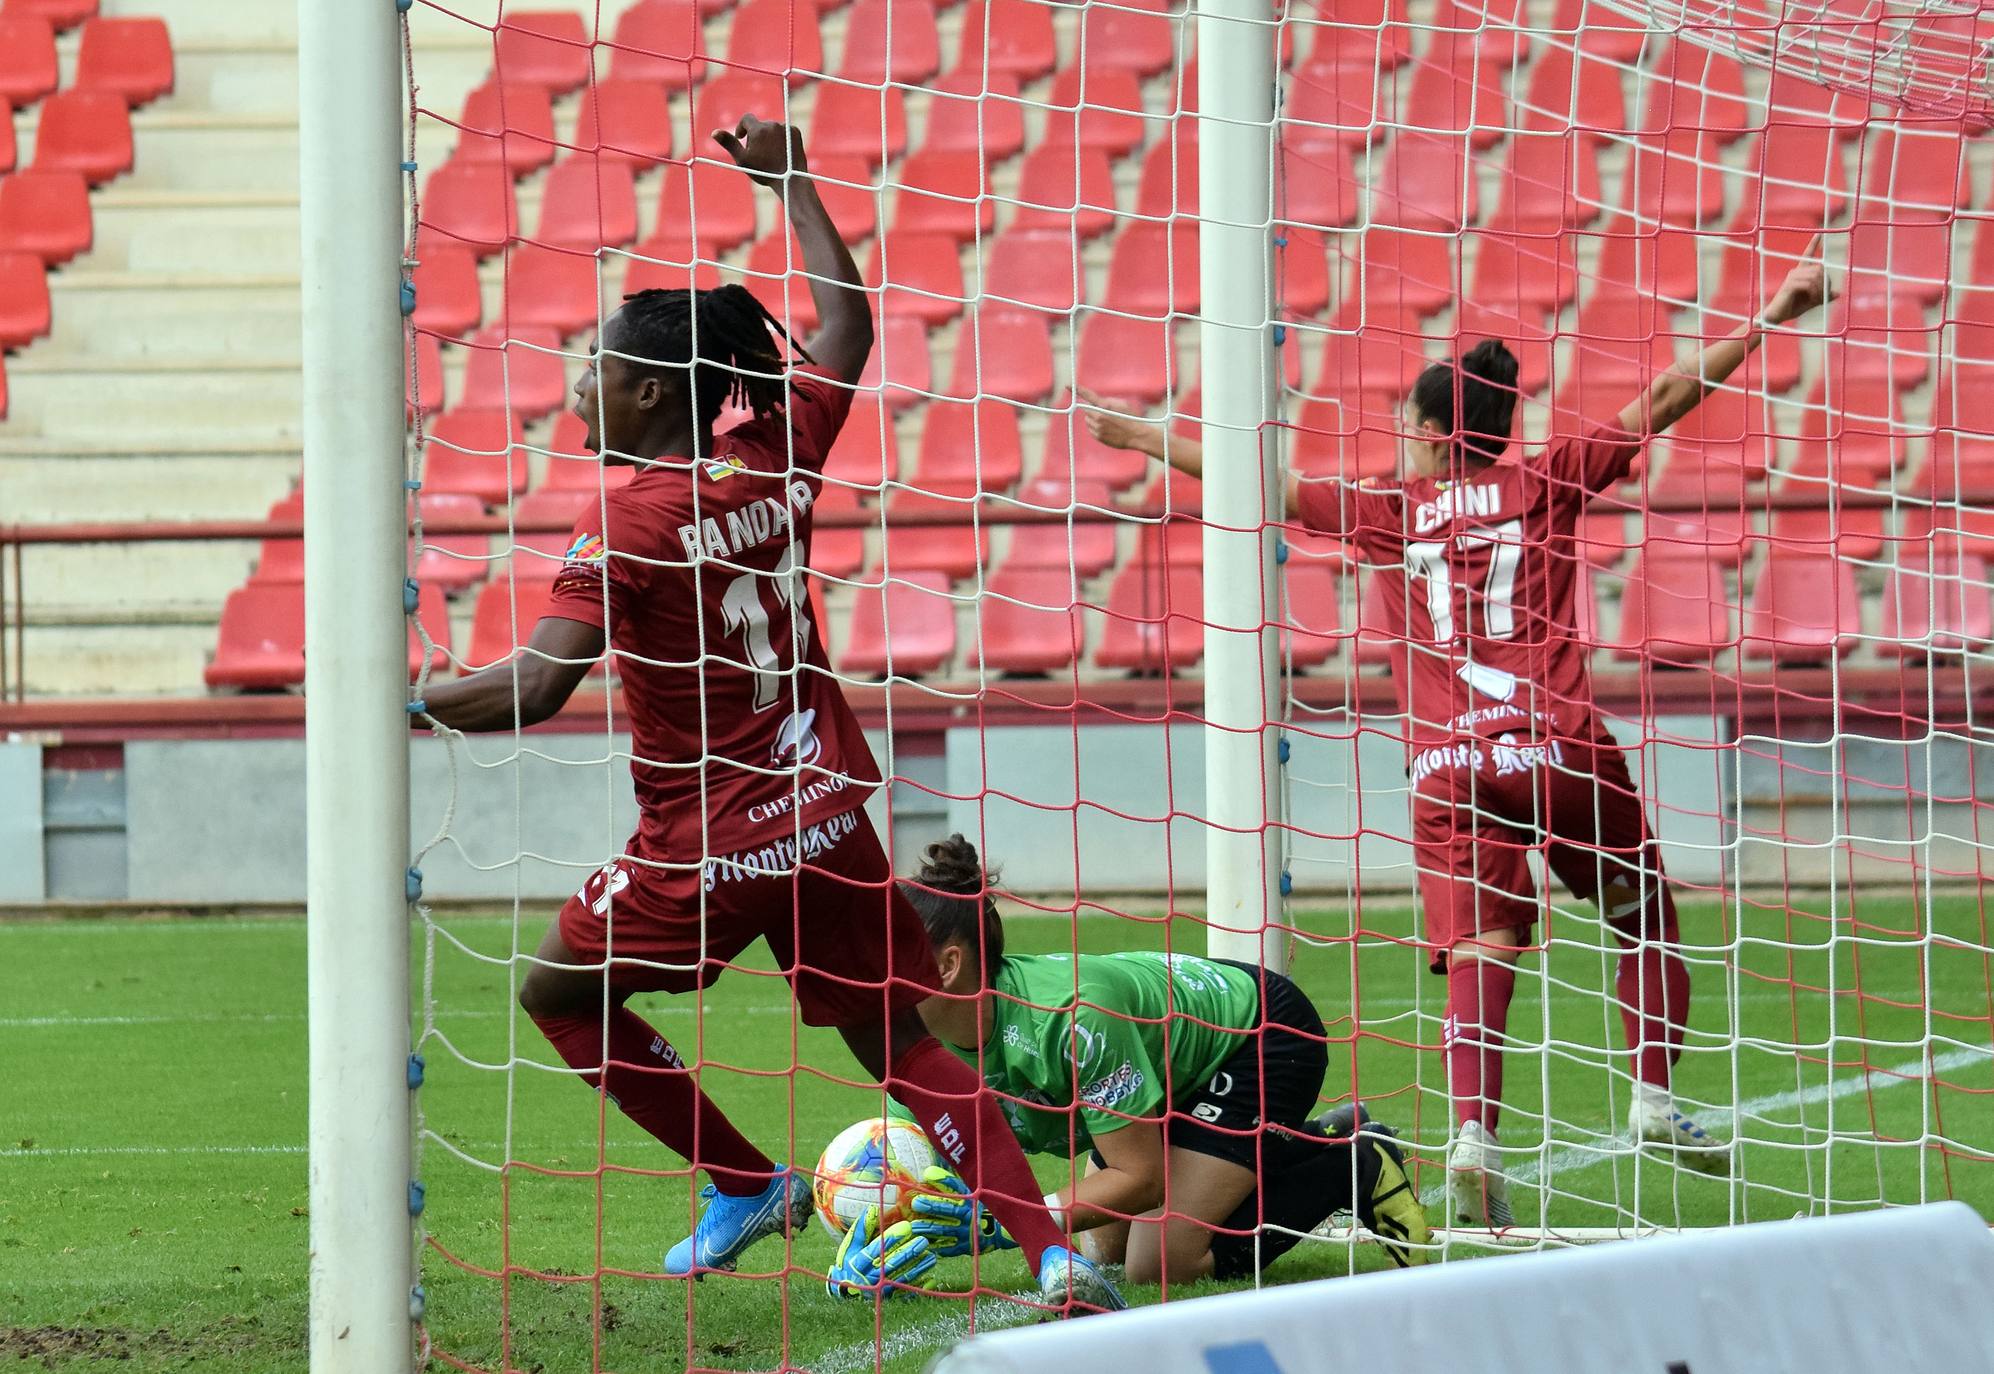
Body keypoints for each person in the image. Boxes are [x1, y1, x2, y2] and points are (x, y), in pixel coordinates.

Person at [409, 116, 1120, 1313]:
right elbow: (845, 327)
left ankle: (741, 1182)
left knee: (554, 995)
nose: (579, 382)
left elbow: (533, 687)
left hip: (705, 846)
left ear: (642, 391)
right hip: (830, 815)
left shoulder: (621, 532)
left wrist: (394, 705)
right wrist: (793, 182)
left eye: (594, 366)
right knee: (900, 1047)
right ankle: (1051, 1254)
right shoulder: (779, 450)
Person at [1082, 244, 1831, 1227]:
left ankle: (1475, 1135)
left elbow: (1256, 482)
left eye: (1406, 428)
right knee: (1640, 914)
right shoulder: (1549, 477)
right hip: (1555, 744)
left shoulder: (1389, 510)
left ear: (1436, 435)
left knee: (1483, 946)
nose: (1401, 441)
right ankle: (1652, 1098)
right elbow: (1660, 400)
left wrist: (1142, 434)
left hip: (1443, 766)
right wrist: (1774, 308)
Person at [871, 834, 1430, 1286]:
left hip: (1258, 1034)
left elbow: (1141, 1181)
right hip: (1169, 1068)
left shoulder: (1071, 1020)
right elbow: (944, 1174)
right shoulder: (922, 1042)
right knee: (1105, 1249)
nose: (868, 974)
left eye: (887, 955)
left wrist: (1009, 1220)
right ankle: (1307, 1139)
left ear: (947, 965)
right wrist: (875, 1241)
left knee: (1160, 1263)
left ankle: (1350, 1162)